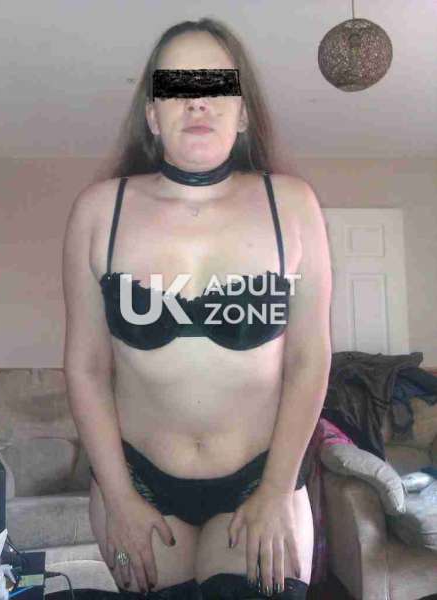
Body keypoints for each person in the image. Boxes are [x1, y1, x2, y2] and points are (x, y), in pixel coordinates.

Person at [62, 18, 332, 600]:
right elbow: (86, 367)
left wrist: (276, 491)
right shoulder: (98, 212)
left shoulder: (292, 205)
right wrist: (119, 496)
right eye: (176, 86)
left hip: (263, 479)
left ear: (244, 111)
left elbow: (309, 359)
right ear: (152, 115)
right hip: (138, 485)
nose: (197, 101)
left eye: (215, 84)